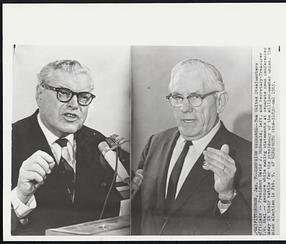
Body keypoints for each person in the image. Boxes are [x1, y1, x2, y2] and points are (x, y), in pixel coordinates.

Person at [132, 58, 252, 235]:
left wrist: (227, 197)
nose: (185, 108)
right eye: (178, 97)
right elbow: (139, 217)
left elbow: (252, 234)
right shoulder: (154, 143)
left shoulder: (248, 157)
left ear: (220, 102)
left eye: (196, 97)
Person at [11, 60, 129, 235]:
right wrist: (20, 196)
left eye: (83, 97)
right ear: (39, 93)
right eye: (64, 93)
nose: (74, 104)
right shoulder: (9, 140)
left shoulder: (102, 145)